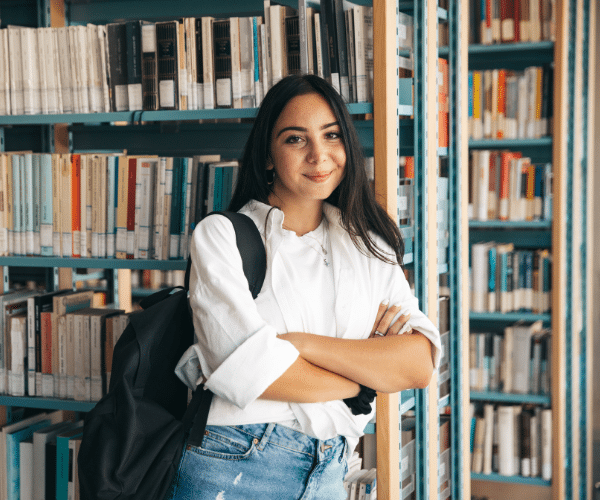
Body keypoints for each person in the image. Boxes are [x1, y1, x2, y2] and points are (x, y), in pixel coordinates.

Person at [169, 74, 441, 500]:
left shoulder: (368, 245)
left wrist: (301, 345)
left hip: (330, 469)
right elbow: (250, 372)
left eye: (331, 135)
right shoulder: (221, 236)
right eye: (296, 139)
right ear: (268, 156)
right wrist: (363, 380)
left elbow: (418, 363)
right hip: (234, 465)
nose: (319, 155)